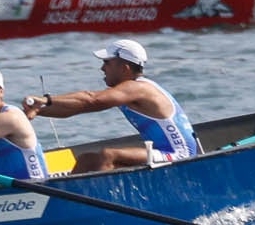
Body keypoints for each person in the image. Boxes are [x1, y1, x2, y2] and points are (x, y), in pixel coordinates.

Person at [24, 39, 200, 172]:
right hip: (162, 151)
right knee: (87, 160)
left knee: (109, 155)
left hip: (180, 155)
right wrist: (36, 111)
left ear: (125, 68)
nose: (102, 68)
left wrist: (46, 99)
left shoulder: (137, 88)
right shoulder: (126, 90)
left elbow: (91, 98)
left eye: (107, 63)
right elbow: (78, 107)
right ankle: (65, 202)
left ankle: (94, 206)